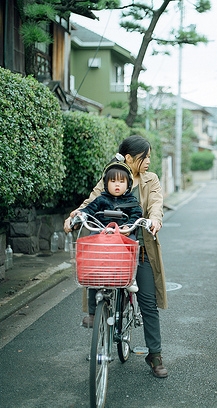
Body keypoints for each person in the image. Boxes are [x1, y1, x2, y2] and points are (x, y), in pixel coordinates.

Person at [64, 135, 168, 378]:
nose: (149, 161)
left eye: (150, 156)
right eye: (146, 157)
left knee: (147, 301)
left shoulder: (150, 179)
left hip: (138, 247)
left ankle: (155, 354)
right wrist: (75, 215)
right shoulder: (111, 176)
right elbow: (92, 200)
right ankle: (100, 336)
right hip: (110, 247)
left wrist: (155, 220)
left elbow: (155, 203)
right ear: (130, 158)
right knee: (99, 284)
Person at [77, 160, 142, 293]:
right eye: (112, 181)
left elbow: (136, 214)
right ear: (106, 184)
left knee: (130, 245)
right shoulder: (101, 199)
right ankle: (93, 309)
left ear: (128, 184)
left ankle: (130, 276)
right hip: (102, 232)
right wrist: (81, 214)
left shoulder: (131, 201)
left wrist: (128, 226)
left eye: (121, 181)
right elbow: (89, 209)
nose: (117, 184)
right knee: (92, 246)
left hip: (124, 232)